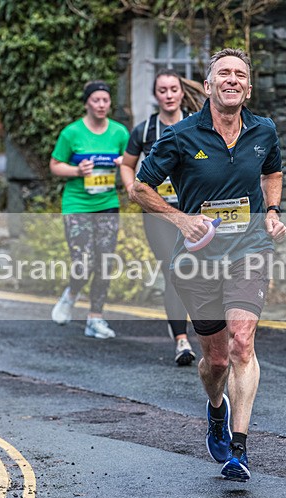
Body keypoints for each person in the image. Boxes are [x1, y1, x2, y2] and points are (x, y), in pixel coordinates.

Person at [131, 48, 286, 481]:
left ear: (248, 87)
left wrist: (272, 212)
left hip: (250, 249)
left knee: (242, 343)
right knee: (216, 361)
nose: (232, 79)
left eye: (240, 74)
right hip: (199, 260)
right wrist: (181, 219)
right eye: (224, 73)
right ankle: (216, 409)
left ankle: (239, 449)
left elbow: (273, 171)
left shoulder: (264, 130)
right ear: (209, 84)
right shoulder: (180, 136)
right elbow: (140, 188)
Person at [120, 69, 199, 366]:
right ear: (155, 95)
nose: (168, 95)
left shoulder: (197, 124)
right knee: (174, 270)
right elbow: (127, 164)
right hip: (158, 214)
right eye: (162, 90)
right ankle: (181, 339)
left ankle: (208, 330)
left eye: (173, 89)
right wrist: (132, 188)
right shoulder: (144, 131)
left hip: (193, 211)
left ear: (181, 92)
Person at [50, 81, 130, 339]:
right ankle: (71, 294)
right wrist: (77, 170)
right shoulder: (71, 133)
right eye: (96, 100)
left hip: (107, 204)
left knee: (105, 262)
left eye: (105, 100)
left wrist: (123, 163)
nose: (101, 105)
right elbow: (55, 165)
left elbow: (131, 164)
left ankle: (95, 318)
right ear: (87, 103)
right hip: (77, 205)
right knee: (83, 262)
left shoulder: (119, 133)